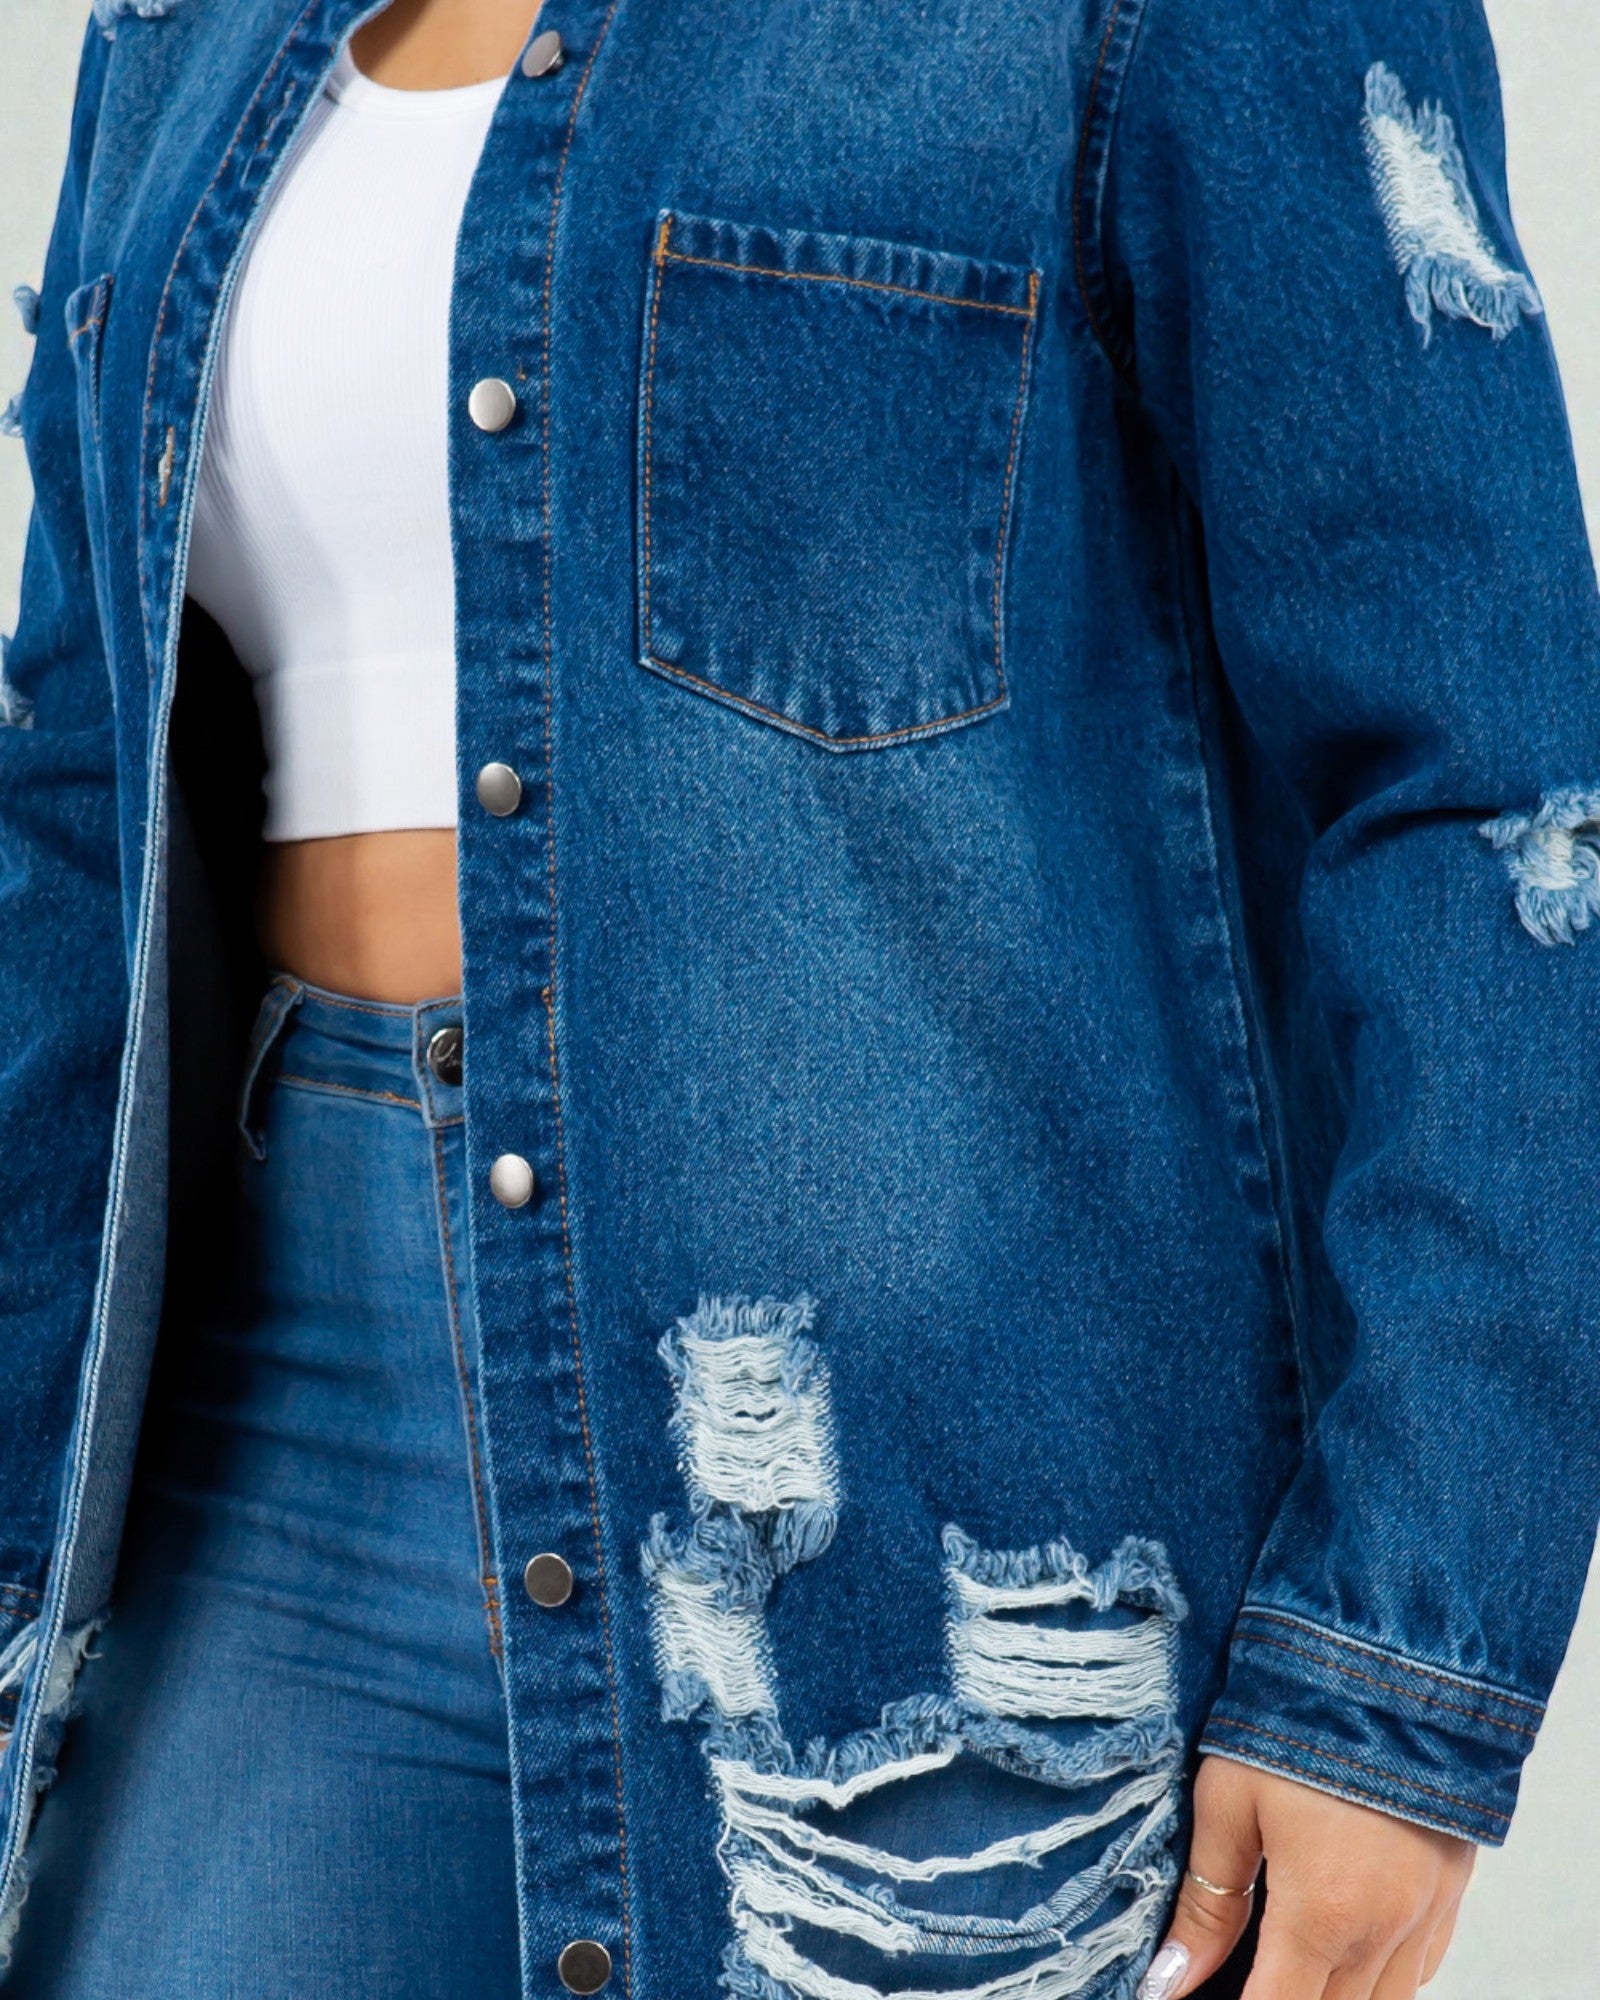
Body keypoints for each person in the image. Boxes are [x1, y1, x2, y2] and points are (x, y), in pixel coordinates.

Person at [0, 0, 1596, 1994]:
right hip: (266, 1435)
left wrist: (1396, 1661)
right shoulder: (176, 33)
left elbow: (1479, 798)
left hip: (918, 1541)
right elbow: (73, 796)